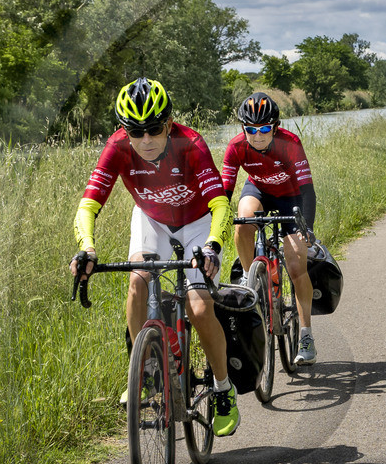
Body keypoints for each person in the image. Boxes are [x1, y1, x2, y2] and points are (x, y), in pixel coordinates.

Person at [70, 77, 241, 437]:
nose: (145, 140)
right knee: (138, 281)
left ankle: (224, 389)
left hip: (197, 223)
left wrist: (211, 245)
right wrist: (87, 246)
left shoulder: (190, 143)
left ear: (168, 124)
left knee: (198, 306)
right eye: (135, 131)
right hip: (153, 220)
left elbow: (220, 203)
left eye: (153, 129)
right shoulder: (117, 147)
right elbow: (89, 204)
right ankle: (146, 370)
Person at [221, 91, 319, 366]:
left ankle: (306, 335)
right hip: (260, 190)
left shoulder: (290, 144)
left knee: (296, 265)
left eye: (264, 128)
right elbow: (225, 192)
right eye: (251, 129)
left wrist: (306, 228)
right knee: (243, 222)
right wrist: (215, 226)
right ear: (243, 128)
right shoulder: (237, 147)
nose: (258, 135)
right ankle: (251, 280)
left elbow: (308, 190)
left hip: (292, 198)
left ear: (275, 127)